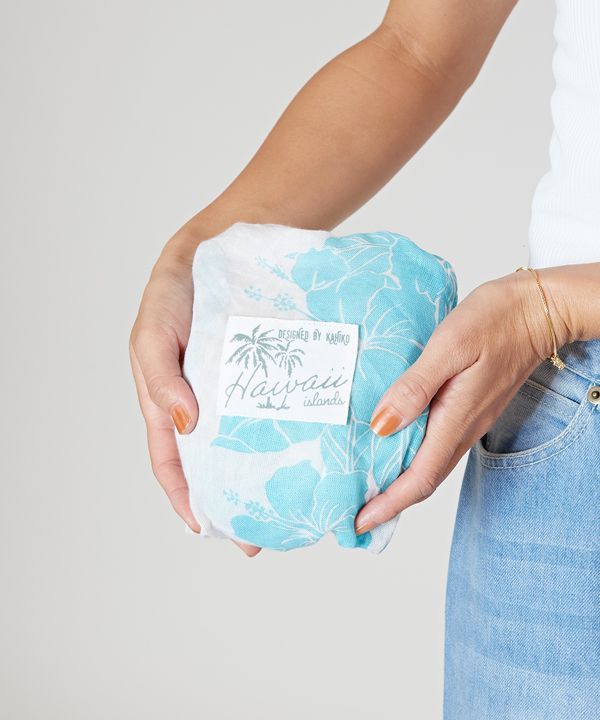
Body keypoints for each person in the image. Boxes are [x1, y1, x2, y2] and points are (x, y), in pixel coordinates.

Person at [129, 1, 600, 716]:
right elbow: (417, 48)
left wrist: (554, 307)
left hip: (554, 339)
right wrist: (196, 256)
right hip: (570, 412)